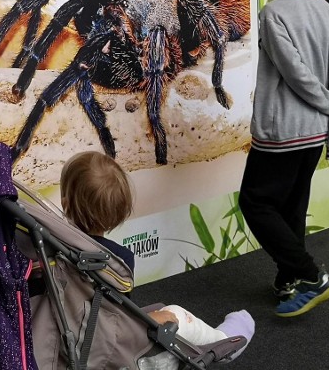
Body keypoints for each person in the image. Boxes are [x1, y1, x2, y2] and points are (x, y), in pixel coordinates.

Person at [238, 0, 329, 318]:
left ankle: (310, 274)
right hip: (316, 136)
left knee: (254, 203)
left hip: (282, 135)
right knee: (291, 208)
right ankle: (290, 281)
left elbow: (296, 73)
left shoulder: (273, 13)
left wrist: (324, 101)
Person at [60, 151, 254, 353]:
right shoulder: (117, 260)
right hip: (102, 343)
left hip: (64, 333)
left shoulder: (50, 247)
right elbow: (116, 320)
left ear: (65, 203)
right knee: (175, 315)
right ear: (119, 213)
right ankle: (223, 342)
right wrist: (152, 319)